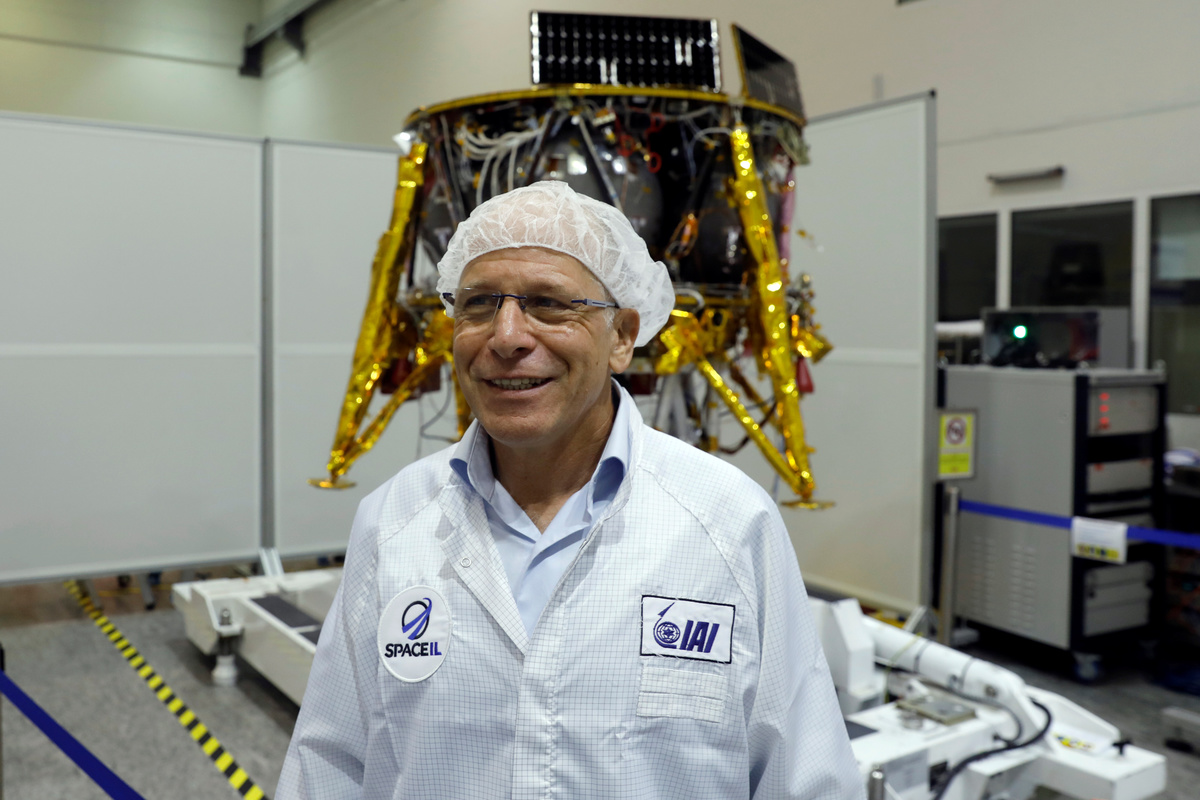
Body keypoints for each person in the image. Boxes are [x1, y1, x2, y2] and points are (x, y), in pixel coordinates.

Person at [278, 181, 864, 799]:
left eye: (549, 303)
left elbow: (806, 780)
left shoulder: (728, 522)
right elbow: (328, 766)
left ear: (622, 336)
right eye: (478, 304)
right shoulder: (394, 522)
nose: (506, 336)